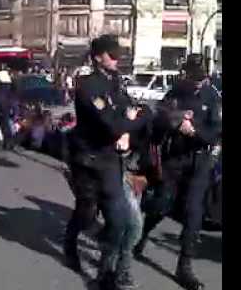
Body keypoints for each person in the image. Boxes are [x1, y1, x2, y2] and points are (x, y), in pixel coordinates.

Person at [65, 35, 152, 289]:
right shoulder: (88, 86)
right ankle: (70, 242)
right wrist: (132, 121)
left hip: (109, 161)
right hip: (87, 160)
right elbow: (113, 122)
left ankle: (105, 275)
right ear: (97, 57)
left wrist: (134, 120)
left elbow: (136, 110)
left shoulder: (115, 82)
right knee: (85, 213)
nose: (117, 58)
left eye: (118, 54)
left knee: (118, 221)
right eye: (111, 54)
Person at [134, 62, 221, 290]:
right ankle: (140, 235)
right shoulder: (175, 92)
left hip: (200, 160)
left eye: (199, 79)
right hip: (175, 158)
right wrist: (176, 121)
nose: (195, 83)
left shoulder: (212, 96)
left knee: (194, 212)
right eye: (192, 78)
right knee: (162, 203)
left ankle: (184, 266)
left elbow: (215, 132)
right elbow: (159, 119)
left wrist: (196, 132)